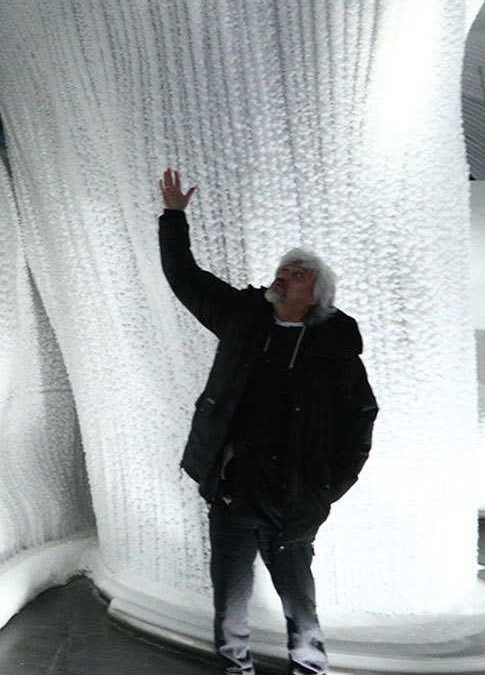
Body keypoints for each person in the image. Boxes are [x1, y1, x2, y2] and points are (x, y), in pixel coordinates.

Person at [157, 168, 377, 675]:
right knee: (229, 600)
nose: (285, 274)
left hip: (292, 497)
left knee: (299, 601)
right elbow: (185, 278)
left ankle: (310, 670)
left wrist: (325, 489)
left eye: (297, 273)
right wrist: (173, 217)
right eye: (283, 268)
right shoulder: (243, 315)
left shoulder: (336, 352)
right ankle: (236, 669)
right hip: (234, 490)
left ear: (316, 295)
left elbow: (359, 425)